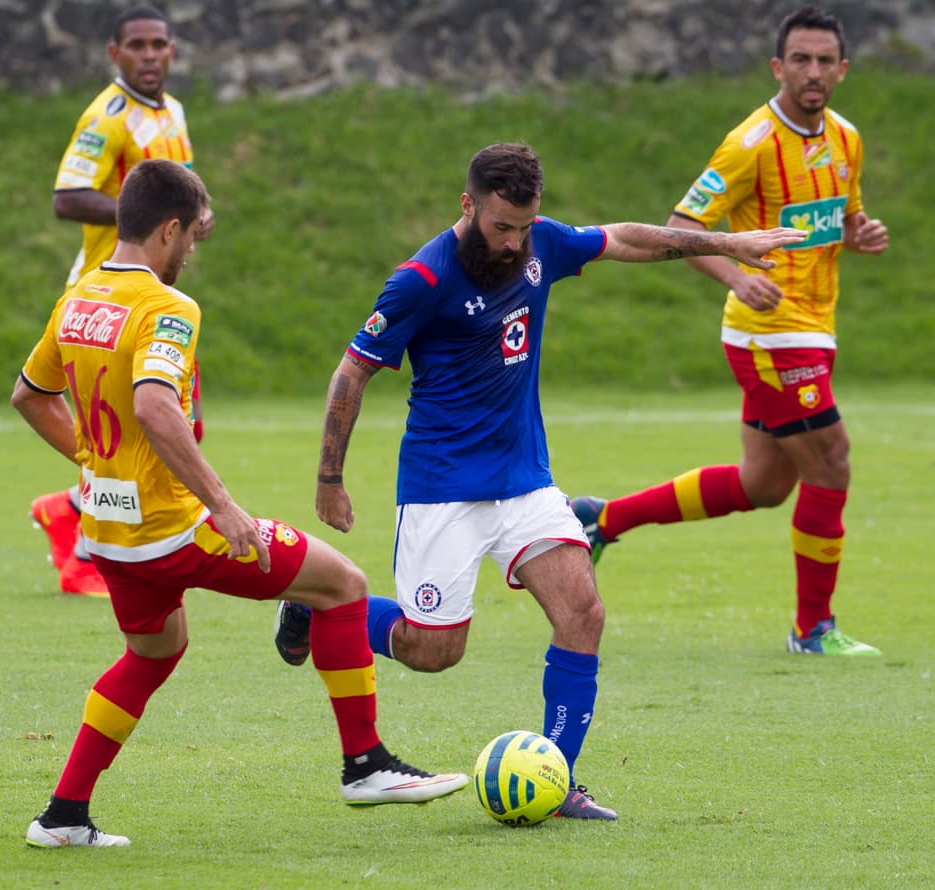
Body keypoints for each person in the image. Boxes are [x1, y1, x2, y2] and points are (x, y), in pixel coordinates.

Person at [273, 142, 806, 821]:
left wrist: (728, 242)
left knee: (583, 612)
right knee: (433, 651)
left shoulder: (539, 247)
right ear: (467, 206)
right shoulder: (421, 281)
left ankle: (559, 780)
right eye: (502, 226)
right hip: (443, 487)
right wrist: (329, 479)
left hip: (525, 482)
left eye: (525, 226)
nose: (515, 241)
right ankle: (319, 606)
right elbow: (352, 372)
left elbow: (626, 241)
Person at [12, 158, 468, 848]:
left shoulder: (78, 300)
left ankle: (63, 817)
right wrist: (224, 507)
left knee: (154, 651)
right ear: (167, 231)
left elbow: (29, 396)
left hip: (108, 532)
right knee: (342, 585)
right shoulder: (167, 308)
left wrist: (93, 460)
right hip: (175, 530)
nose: (193, 252)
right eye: (192, 236)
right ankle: (365, 764)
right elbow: (156, 406)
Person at [572, 6, 889, 656]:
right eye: (799, 59)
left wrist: (861, 234)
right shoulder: (750, 143)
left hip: (814, 328)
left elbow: (839, 221)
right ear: (778, 67)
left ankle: (602, 519)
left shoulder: (847, 140)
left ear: (842, 70)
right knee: (832, 465)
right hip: (769, 335)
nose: (812, 71)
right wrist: (737, 276)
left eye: (825, 60)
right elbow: (680, 229)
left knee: (764, 486)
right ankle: (813, 631)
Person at [30, 4, 213, 598]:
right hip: (103, 296)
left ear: (173, 50)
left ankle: (67, 511)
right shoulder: (106, 117)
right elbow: (66, 196)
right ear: (116, 54)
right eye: (137, 46)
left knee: (181, 425)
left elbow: (181, 187)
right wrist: (149, 215)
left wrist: (195, 217)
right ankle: (86, 555)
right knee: (140, 431)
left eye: (159, 44)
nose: (150, 55)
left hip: (151, 296)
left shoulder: (174, 112)